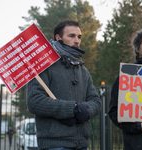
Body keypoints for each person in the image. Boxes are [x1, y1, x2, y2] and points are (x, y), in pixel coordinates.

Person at [26, 20, 101, 150]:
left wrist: (84, 110)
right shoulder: (43, 65)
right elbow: (34, 101)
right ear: (58, 37)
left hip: (82, 144)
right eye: (71, 36)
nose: (77, 41)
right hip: (55, 145)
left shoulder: (83, 70)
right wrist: (71, 109)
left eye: (79, 37)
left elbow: (96, 102)